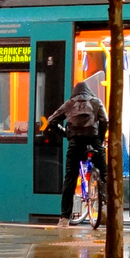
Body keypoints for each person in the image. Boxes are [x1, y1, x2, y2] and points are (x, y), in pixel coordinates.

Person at [46, 80, 108, 224]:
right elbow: (104, 120)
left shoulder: (69, 104)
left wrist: (65, 134)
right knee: (104, 174)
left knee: (70, 179)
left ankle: (64, 218)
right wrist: (100, 138)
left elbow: (51, 121)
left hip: (75, 143)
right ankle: (105, 207)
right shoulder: (96, 102)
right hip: (94, 141)